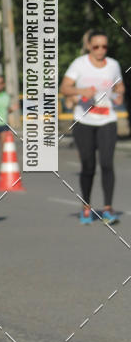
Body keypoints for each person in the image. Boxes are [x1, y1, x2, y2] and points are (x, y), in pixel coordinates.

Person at [60, 31, 124, 225]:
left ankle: (108, 209)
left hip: (107, 120)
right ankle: (86, 206)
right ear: (89, 46)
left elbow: (118, 87)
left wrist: (119, 93)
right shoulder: (79, 64)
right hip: (84, 121)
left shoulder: (113, 65)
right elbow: (64, 87)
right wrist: (81, 90)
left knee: (106, 163)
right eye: (96, 46)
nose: (100, 50)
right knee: (88, 165)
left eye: (104, 46)